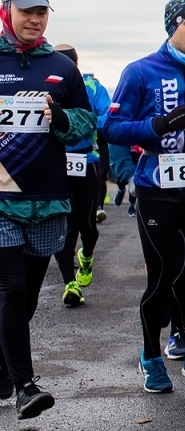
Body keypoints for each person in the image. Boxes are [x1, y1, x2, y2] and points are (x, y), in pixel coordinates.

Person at [105, 0, 185, 394]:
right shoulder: (141, 71)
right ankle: (151, 356)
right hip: (157, 190)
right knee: (162, 276)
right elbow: (112, 128)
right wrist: (157, 125)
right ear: (172, 27)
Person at [0, 0, 94, 418]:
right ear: (7, 12)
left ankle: (4, 367)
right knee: (12, 287)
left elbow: (85, 127)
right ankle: (25, 386)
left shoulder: (61, 67)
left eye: (42, 12)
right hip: (1, 196)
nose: (35, 19)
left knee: (29, 295)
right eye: (26, 12)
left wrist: (60, 117)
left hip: (48, 197)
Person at [52, 44, 110, 307]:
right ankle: (69, 283)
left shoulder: (92, 88)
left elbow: (106, 118)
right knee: (63, 225)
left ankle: (86, 255)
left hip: (85, 160)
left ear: (74, 65)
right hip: (55, 162)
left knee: (87, 225)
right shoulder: (47, 85)